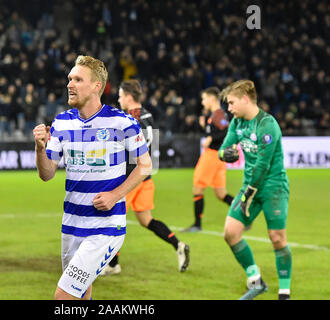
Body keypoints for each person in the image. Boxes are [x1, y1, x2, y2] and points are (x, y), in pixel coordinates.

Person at [33, 55, 152, 300]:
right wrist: (40, 148)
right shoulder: (62, 123)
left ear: (97, 86)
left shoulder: (122, 122)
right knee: (82, 295)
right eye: (69, 79)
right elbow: (46, 174)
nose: (70, 84)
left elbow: (145, 166)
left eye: (78, 79)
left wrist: (115, 195)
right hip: (71, 224)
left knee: (63, 297)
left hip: (105, 227)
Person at [101, 80, 190, 276]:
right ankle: (179, 245)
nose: (119, 98)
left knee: (112, 219)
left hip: (130, 178)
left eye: (121, 95)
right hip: (145, 176)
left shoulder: (129, 118)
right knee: (146, 219)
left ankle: (113, 264)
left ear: (129, 97)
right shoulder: (148, 114)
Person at [218, 80, 292, 300]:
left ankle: (284, 292)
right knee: (230, 233)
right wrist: (224, 155)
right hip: (249, 186)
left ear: (245, 99)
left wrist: (249, 193)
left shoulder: (267, 125)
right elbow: (223, 149)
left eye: (231, 103)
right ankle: (256, 280)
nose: (229, 108)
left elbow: (263, 165)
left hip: (272, 187)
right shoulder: (237, 122)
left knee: (277, 238)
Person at [183, 87, 235, 232]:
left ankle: (197, 225)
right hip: (219, 157)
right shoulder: (216, 115)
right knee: (221, 194)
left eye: (204, 98)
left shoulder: (218, 114)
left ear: (212, 99)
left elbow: (226, 130)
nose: (202, 101)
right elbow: (220, 130)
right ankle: (244, 214)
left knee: (198, 188)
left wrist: (211, 137)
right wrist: (204, 128)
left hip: (212, 155)